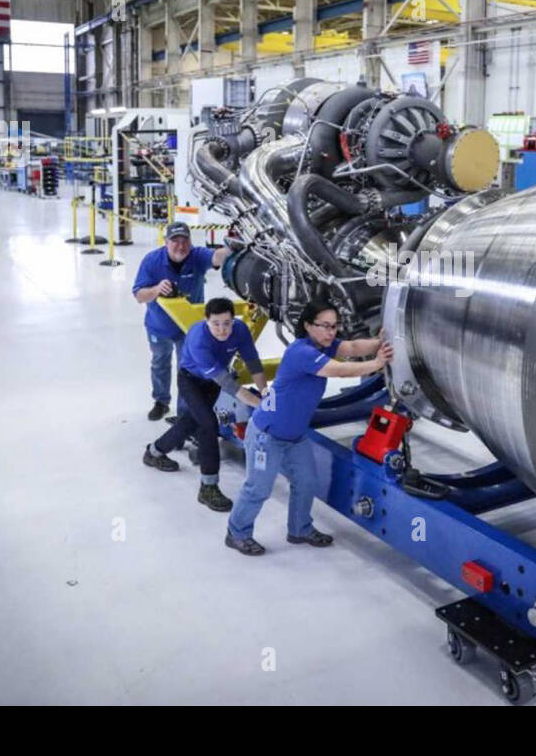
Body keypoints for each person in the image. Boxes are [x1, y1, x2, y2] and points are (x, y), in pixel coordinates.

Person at [225, 300, 392, 556]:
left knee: (306, 483)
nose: (331, 332)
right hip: (267, 435)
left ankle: (300, 529)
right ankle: (237, 533)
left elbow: (354, 346)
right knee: (258, 488)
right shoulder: (301, 352)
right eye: (324, 326)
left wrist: (380, 343)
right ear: (307, 326)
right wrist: (375, 364)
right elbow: (339, 370)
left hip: (295, 435)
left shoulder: (325, 345)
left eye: (334, 326)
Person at [143, 297, 269, 512]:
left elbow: (254, 362)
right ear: (206, 321)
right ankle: (208, 488)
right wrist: (261, 405)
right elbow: (229, 384)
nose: (222, 329)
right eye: (216, 324)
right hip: (191, 381)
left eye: (227, 323)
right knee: (208, 426)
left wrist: (266, 392)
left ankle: (154, 452)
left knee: (190, 423)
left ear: (233, 320)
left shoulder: (240, 330)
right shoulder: (198, 338)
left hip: (212, 383)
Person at [132, 222, 230, 421]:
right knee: (160, 362)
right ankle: (161, 401)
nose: (180, 246)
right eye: (175, 241)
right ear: (166, 242)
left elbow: (217, 257)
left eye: (185, 240)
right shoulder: (152, 261)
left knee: (187, 370)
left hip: (189, 328)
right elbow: (139, 295)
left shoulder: (197, 256)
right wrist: (156, 289)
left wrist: (234, 249)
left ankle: (184, 413)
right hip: (159, 327)